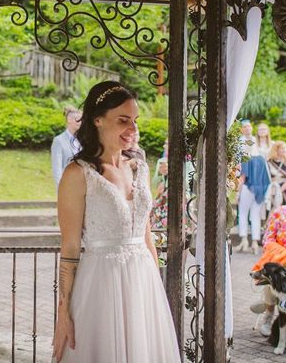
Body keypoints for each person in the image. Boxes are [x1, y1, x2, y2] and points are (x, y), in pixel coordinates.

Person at [53, 81, 177, 362]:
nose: (132, 129)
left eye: (134, 120)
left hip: (143, 283)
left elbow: (146, 235)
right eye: (123, 120)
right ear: (97, 120)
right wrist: (63, 312)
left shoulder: (140, 167)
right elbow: (70, 246)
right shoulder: (77, 174)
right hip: (101, 284)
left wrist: (156, 288)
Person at [236, 141, 272, 253]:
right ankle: (255, 243)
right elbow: (267, 177)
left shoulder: (245, 157)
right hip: (259, 189)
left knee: (242, 214)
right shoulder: (261, 159)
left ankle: (244, 240)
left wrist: (237, 193)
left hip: (247, 188)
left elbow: (243, 177)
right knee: (255, 216)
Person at [52, 107, 83, 186]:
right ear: (69, 120)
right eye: (78, 119)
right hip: (67, 185)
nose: (80, 122)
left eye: (81, 120)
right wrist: (60, 189)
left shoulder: (83, 140)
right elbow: (57, 169)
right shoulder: (59, 140)